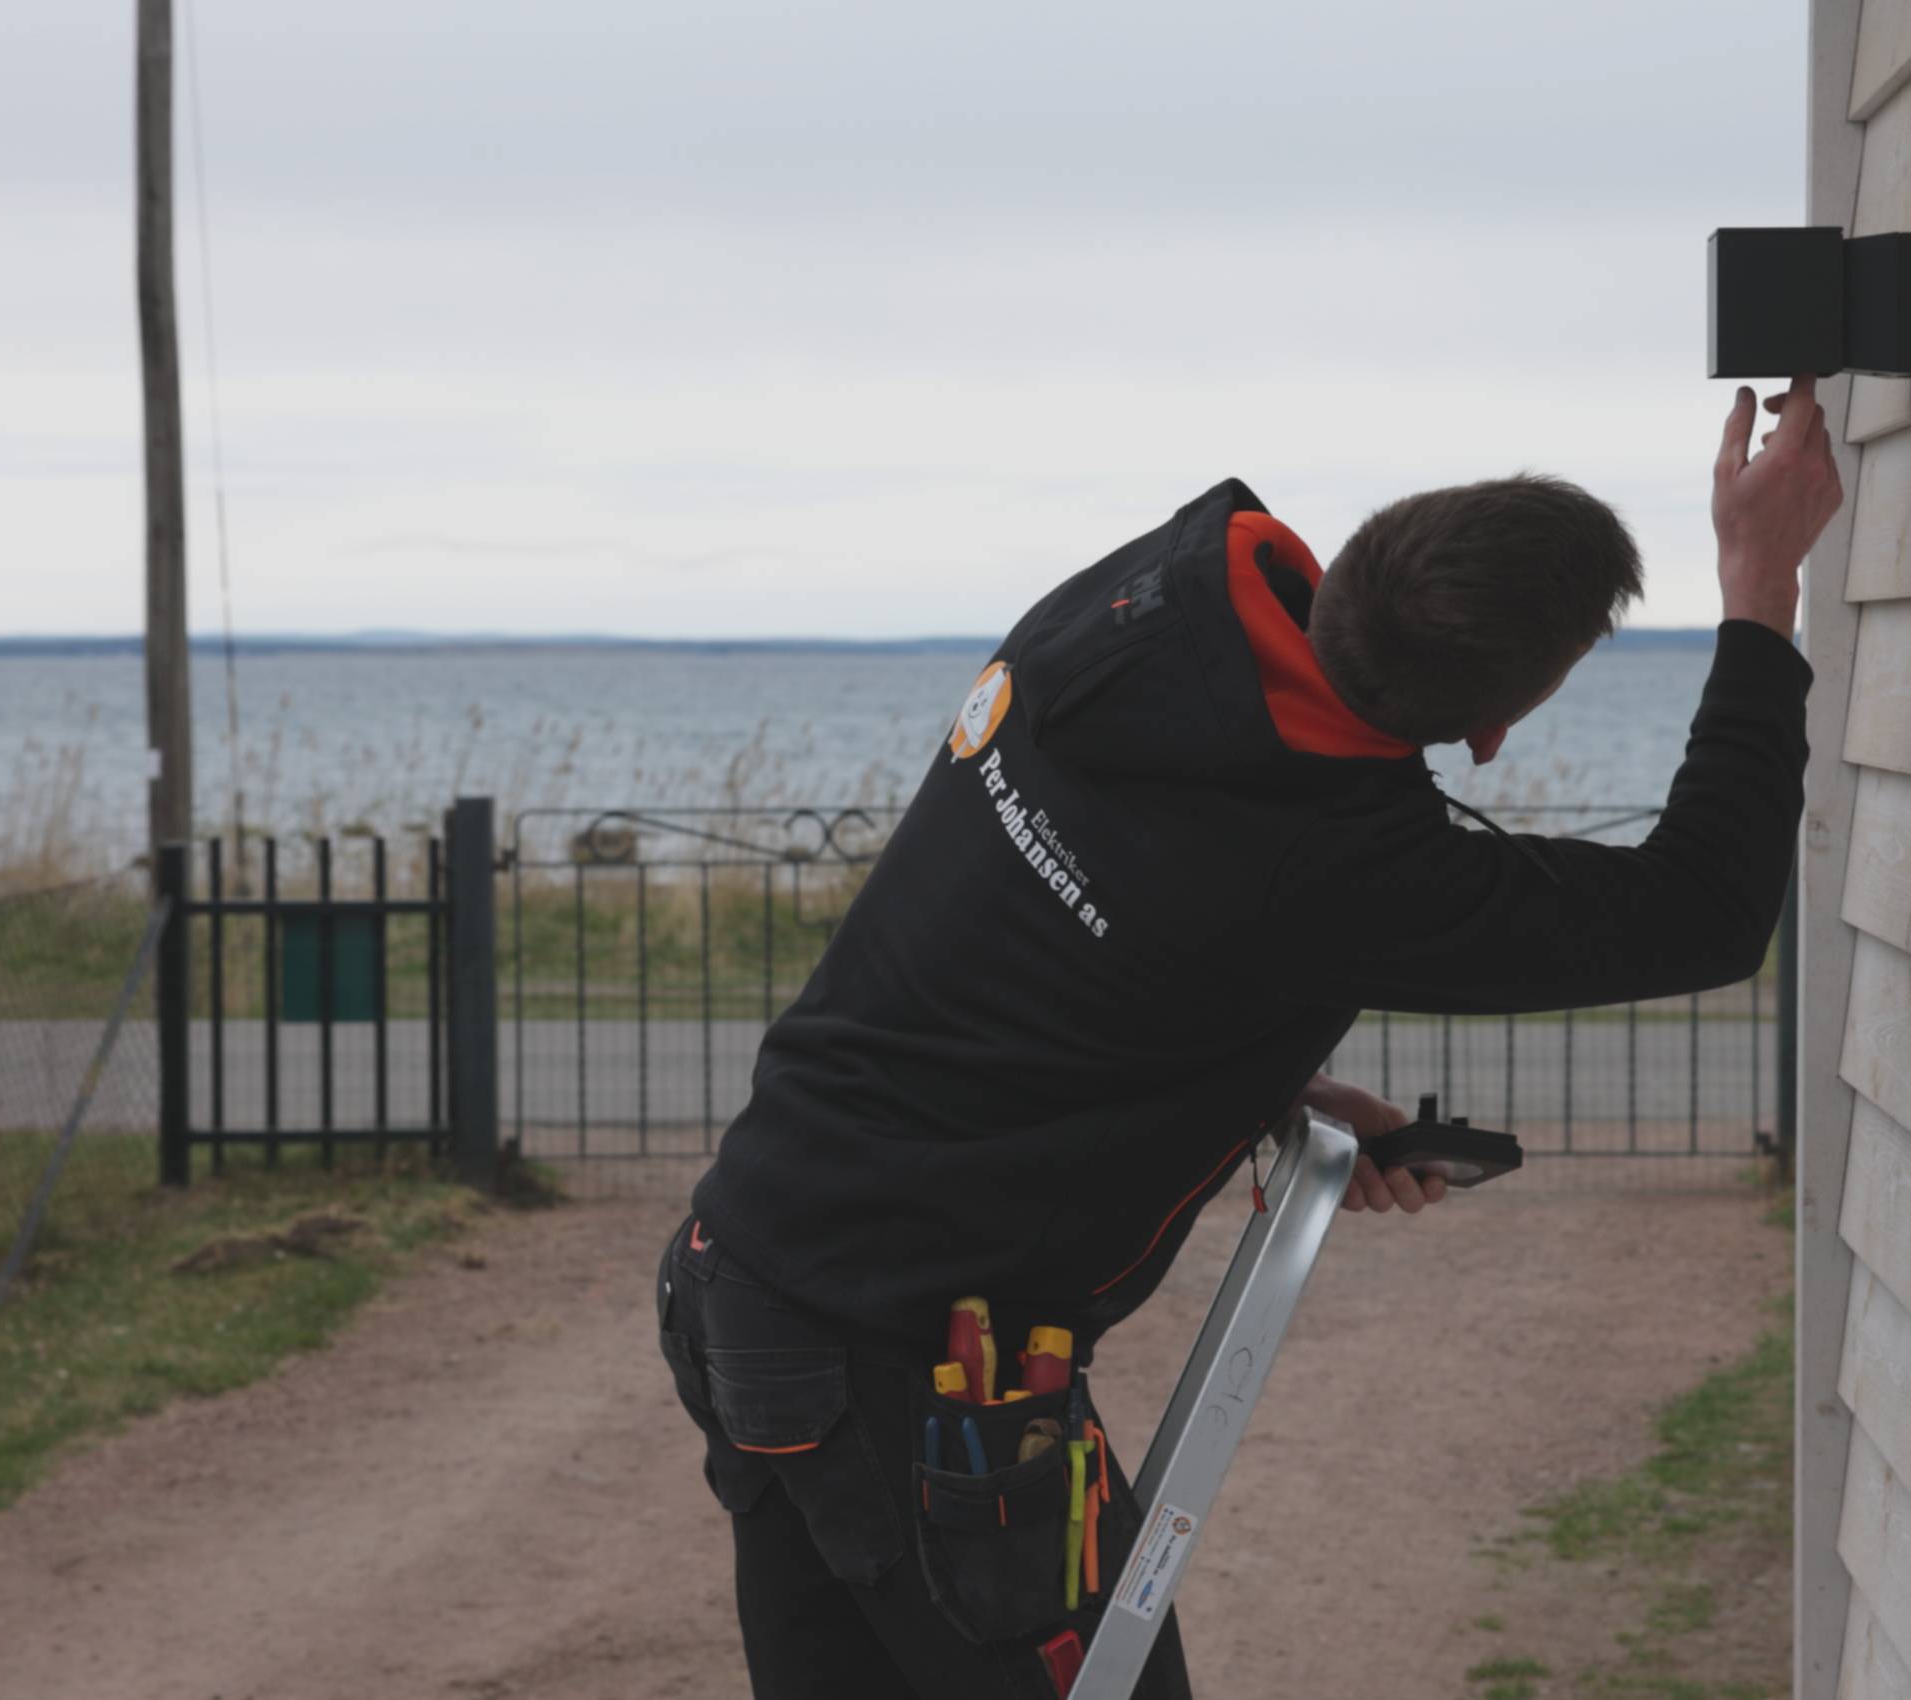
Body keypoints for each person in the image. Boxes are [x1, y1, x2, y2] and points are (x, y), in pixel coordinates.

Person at [656, 378, 1845, 1699]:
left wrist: (1270, 1081)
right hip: (905, 1366)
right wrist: (1760, 589)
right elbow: (1702, 914)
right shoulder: (1344, 870)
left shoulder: (1140, 598)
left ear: (1364, 555)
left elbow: (1078, 945)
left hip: (736, 1268)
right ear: (1491, 732)